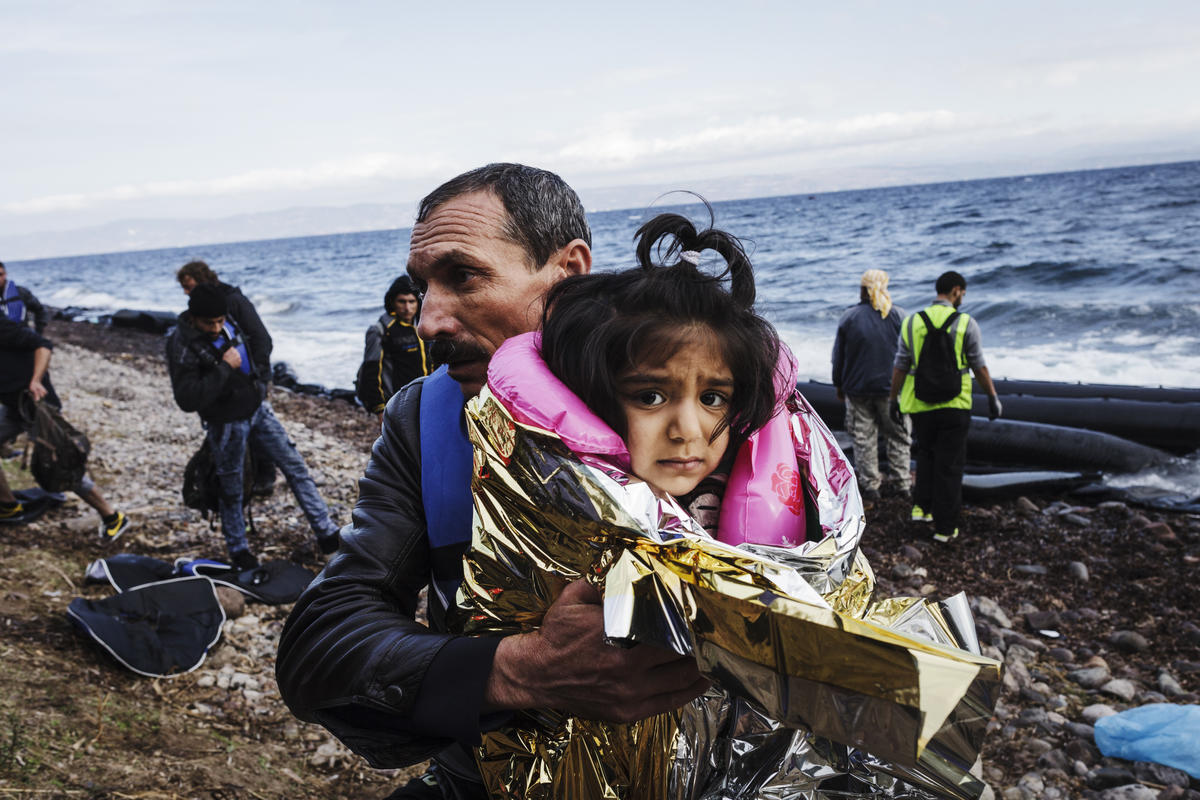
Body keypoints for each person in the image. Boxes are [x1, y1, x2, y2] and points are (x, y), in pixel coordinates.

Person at [275, 164, 708, 799]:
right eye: (424, 286)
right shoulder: (426, 419)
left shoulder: (711, 407)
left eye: (464, 277)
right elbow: (323, 638)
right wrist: (517, 671)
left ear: (568, 272)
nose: (429, 321)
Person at [165, 284, 340, 569]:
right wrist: (223, 367)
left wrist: (260, 381)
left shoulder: (228, 320)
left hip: (257, 408)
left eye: (220, 321)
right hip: (225, 423)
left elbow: (259, 341)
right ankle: (239, 550)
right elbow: (186, 398)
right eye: (209, 323)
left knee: (295, 467)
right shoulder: (180, 343)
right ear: (193, 317)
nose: (216, 327)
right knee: (232, 486)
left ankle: (328, 535)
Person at [888, 270, 1002, 543]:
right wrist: (992, 397)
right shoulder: (966, 323)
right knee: (949, 464)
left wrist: (894, 399)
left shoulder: (913, 321)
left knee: (926, 455)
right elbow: (979, 366)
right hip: (956, 403)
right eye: (962, 292)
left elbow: (901, 365)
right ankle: (945, 528)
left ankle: (921, 509)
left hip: (920, 403)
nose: (962, 297)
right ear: (955, 291)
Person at [0, 316, 130, 538]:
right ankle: (8, 506)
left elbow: (43, 345)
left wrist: (36, 380)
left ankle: (113, 517)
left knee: (62, 465)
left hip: (39, 405)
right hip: (14, 406)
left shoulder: (2, 327)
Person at [175, 260, 277, 497]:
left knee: (258, 428)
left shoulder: (231, 301)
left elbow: (262, 338)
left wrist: (258, 377)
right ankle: (249, 477)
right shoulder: (204, 311)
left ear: (203, 279)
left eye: (189, 286)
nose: (185, 293)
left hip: (251, 376)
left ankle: (264, 478)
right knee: (243, 432)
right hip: (232, 377)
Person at [831, 269, 910, 503]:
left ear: (863, 289)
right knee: (898, 436)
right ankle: (902, 484)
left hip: (858, 390)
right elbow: (908, 357)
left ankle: (871, 486)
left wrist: (838, 385)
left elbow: (838, 357)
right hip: (892, 391)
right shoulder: (899, 316)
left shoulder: (849, 317)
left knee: (864, 438)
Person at [355, 275, 430, 416]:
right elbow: (371, 370)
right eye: (402, 302)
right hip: (396, 404)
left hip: (425, 400)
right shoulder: (379, 331)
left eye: (411, 301)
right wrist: (379, 409)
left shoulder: (424, 326)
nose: (407, 308)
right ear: (392, 302)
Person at [0, 262, 49, 333]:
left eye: (0, 274)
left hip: (20, 338)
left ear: (5, 274)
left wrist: (38, 332)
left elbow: (40, 310)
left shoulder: (21, 293)